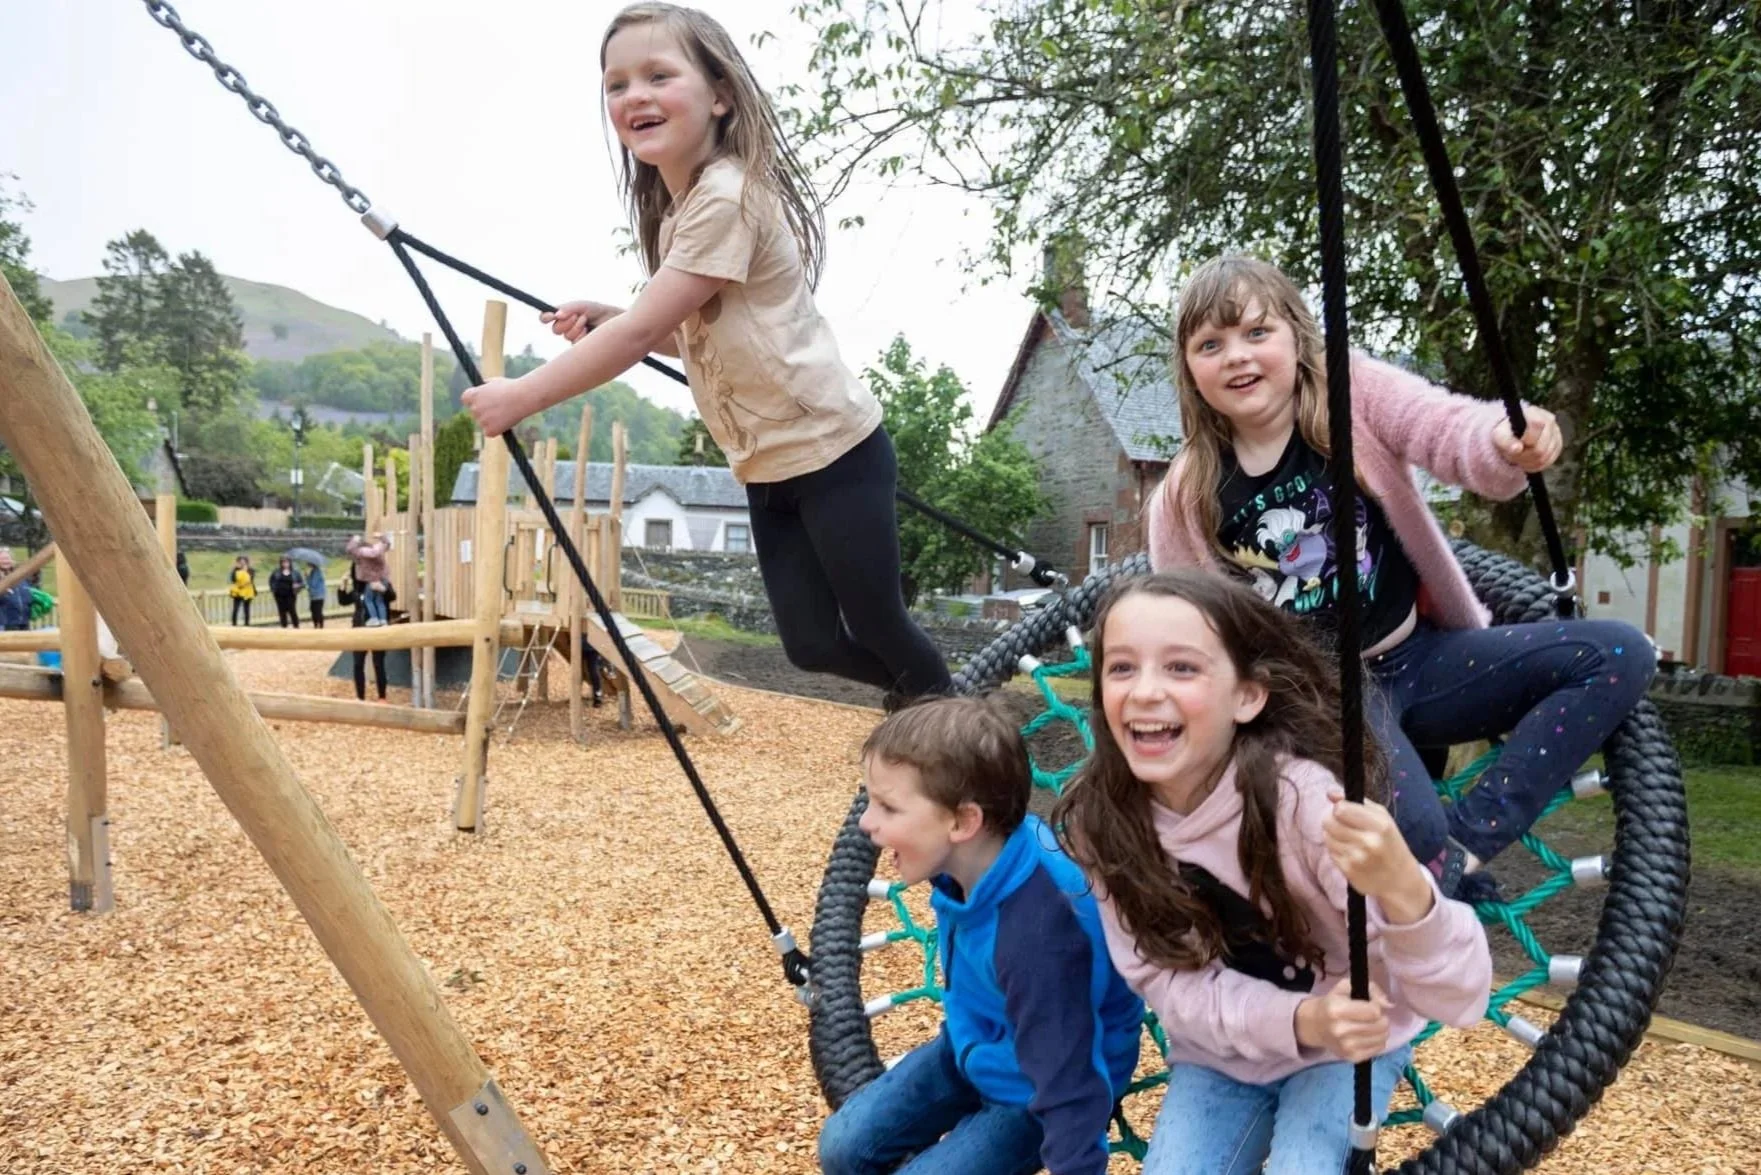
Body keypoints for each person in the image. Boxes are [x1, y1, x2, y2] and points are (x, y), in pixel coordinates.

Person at [460, 2, 950, 708]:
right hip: (766, 462)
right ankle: (936, 697)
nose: (634, 95)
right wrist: (613, 315)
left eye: (659, 74)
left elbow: (634, 342)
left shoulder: (726, 196)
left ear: (720, 95)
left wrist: (520, 396)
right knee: (809, 644)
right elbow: (686, 334)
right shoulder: (681, 211)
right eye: (616, 84)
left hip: (833, 449)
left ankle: (947, 722)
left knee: (876, 619)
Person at [1144, 255, 1654, 898]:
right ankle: (1431, 859)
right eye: (1210, 345)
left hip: (1424, 657)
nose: (1237, 357)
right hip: (1326, 696)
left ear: (1296, 337)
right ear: (1190, 368)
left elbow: (1443, 426)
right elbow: (1186, 633)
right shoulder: (1187, 494)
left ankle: (1463, 846)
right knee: (1409, 829)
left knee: (1617, 653)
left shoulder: (1351, 397)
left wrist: (1504, 437)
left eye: (1255, 332)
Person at [1054, 570, 1491, 1174]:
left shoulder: (1307, 806)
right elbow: (1172, 989)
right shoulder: (1105, 825)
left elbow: (1463, 996)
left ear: (1248, 696)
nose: (1145, 691)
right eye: (1122, 667)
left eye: (1181, 668)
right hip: (1222, 1054)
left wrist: (1406, 891)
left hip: (1346, 1050)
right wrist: (1299, 1018)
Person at [817, 697, 1143, 1175]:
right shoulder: (964, 862)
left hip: (1036, 1093)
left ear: (963, 822)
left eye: (888, 806)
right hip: (973, 1044)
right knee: (842, 1148)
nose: (867, 822)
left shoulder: (1037, 935)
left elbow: (1069, 1080)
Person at [337, 576, 394, 702]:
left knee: (379, 664)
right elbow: (343, 601)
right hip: (360, 629)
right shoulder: (359, 587)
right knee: (358, 664)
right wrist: (343, 585)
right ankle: (360, 697)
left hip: (378, 630)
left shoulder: (381, 580)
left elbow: (392, 596)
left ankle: (382, 696)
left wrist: (382, 589)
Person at [345, 533, 391, 626]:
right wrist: (382, 537)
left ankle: (374, 618)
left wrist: (355, 539)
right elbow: (387, 544)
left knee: (368, 599)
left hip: (371, 580)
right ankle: (383, 619)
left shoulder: (361, 552)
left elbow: (350, 549)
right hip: (382, 578)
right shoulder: (378, 549)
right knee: (379, 600)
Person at [0, 550, 34, 631]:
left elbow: (28, 592)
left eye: (7, 558)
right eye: (2, 559)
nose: (6, 561)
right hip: (5, 623)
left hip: (23, 621)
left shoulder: (20, 576)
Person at [268, 557, 304, 628]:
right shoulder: (276, 572)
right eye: (283, 562)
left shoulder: (295, 572)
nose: (285, 564)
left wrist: (297, 585)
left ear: (290, 563)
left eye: (287, 562)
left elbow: (302, 582)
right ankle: (284, 626)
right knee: (282, 611)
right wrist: (273, 589)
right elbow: (271, 581)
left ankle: (296, 625)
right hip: (279, 595)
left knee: (292, 610)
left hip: (291, 594)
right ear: (281, 563)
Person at [228, 556, 256, 627]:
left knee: (246, 608)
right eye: (240, 562)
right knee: (235, 608)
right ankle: (234, 624)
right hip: (238, 592)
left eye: (244, 561)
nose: (242, 563)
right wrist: (235, 569)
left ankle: (247, 624)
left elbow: (251, 579)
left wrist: (245, 571)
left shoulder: (250, 570)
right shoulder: (235, 570)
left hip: (248, 592)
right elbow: (233, 579)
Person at [305, 561, 326, 629]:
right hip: (314, 596)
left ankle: (319, 625)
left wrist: (307, 577)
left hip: (318, 595)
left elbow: (313, 584)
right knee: (314, 610)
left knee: (317, 611)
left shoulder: (316, 572)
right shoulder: (313, 571)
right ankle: (317, 625)